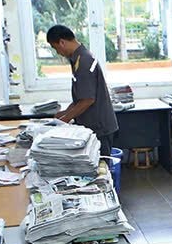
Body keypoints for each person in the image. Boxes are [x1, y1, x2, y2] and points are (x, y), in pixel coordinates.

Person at [45, 25, 118, 156]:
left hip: (98, 127)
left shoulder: (84, 61)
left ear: (62, 42)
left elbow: (87, 100)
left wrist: (65, 119)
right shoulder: (78, 58)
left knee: (100, 166)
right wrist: (64, 113)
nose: (58, 53)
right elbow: (80, 98)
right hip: (94, 125)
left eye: (56, 48)